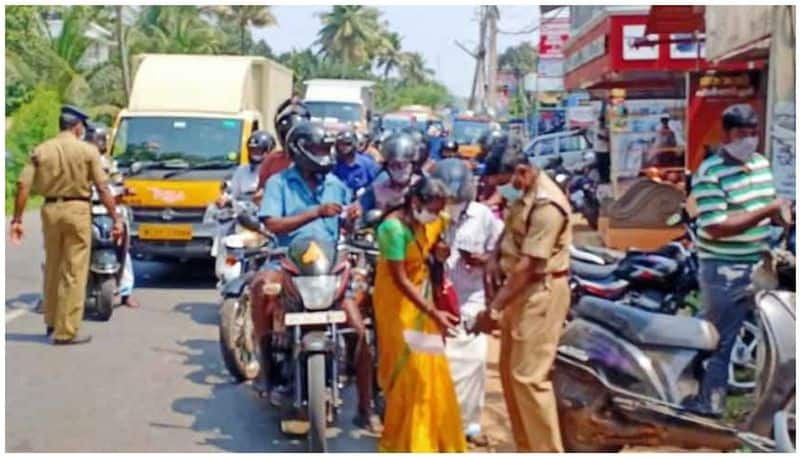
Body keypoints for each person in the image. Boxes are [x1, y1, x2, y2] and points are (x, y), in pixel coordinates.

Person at [251, 120, 381, 432]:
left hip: (329, 268)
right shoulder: (279, 184)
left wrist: (352, 218)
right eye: (318, 149)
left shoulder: (337, 184)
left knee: (359, 330)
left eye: (327, 149)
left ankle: (366, 406)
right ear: (300, 151)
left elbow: (346, 224)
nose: (324, 155)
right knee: (260, 288)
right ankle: (266, 365)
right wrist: (315, 213)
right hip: (287, 263)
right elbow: (272, 224)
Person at [683, 104, 793, 417]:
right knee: (719, 340)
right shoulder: (711, 172)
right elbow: (716, 226)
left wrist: (783, 217)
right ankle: (708, 402)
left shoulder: (760, 164)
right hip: (723, 268)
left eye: (753, 133)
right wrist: (768, 209)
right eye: (742, 134)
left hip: (759, 264)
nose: (749, 140)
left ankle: (767, 405)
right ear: (726, 135)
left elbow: (768, 213)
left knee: (772, 338)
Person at [473, 144, 572, 452]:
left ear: (522, 172)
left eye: (503, 182)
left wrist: (494, 307)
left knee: (529, 379)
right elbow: (512, 230)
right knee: (509, 376)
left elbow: (529, 265)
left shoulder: (547, 205)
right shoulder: (524, 195)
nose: (502, 189)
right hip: (519, 292)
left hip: (540, 292)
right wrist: (493, 256)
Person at [10, 105, 123, 345]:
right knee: (74, 270)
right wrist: (116, 218)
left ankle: (51, 323)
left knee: (53, 266)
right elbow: (103, 187)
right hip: (78, 210)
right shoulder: (88, 151)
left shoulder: (41, 150)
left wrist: (17, 219)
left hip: (50, 210)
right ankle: (67, 331)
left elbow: (22, 185)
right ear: (78, 127)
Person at [372, 176, 465, 452]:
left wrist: (440, 254)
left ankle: (430, 439)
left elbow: (438, 247)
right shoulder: (392, 229)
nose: (436, 215)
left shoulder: (437, 220)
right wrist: (434, 313)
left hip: (424, 303)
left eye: (438, 210)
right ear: (415, 203)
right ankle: (407, 443)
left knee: (430, 373)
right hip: (397, 306)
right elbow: (400, 280)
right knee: (409, 373)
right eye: (432, 209)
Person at [432, 159, 503, 447]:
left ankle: (468, 424)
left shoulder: (483, 217)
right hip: (434, 300)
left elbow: (502, 252)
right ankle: (437, 423)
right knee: (438, 364)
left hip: (470, 297)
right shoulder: (428, 215)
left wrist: (483, 260)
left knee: (472, 363)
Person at [89, 125, 140, 309]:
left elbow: (119, 181)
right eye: (97, 139)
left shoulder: (109, 163)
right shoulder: (82, 160)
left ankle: (126, 292)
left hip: (111, 209)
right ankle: (48, 296)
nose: (100, 143)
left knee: (124, 248)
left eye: (103, 139)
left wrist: (125, 189)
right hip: (87, 210)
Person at [256, 98, 309, 190]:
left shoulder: (312, 160)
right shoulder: (272, 160)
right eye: (285, 134)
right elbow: (260, 191)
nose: (290, 141)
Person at [360, 132, 419, 213]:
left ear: (413, 164)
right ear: (387, 167)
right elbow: (359, 216)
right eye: (394, 165)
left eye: (404, 164)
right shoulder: (376, 190)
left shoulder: (423, 186)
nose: (400, 169)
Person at [219, 130, 275, 206]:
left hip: (268, 210)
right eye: (252, 150)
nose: (254, 154)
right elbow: (233, 193)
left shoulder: (276, 171)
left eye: (258, 150)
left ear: (268, 151)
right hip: (245, 211)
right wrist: (225, 198)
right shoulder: (242, 170)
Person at [594, 114, 611, 184]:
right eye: (599, 121)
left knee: (605, 166)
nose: (600, 123)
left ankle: (607, 179)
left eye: (601, 122)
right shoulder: (596, 129)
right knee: (600, 166)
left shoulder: (607, 130)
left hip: (605, 151)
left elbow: (609, 139)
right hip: (598, 150)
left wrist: (603, 137)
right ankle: (602, 179)